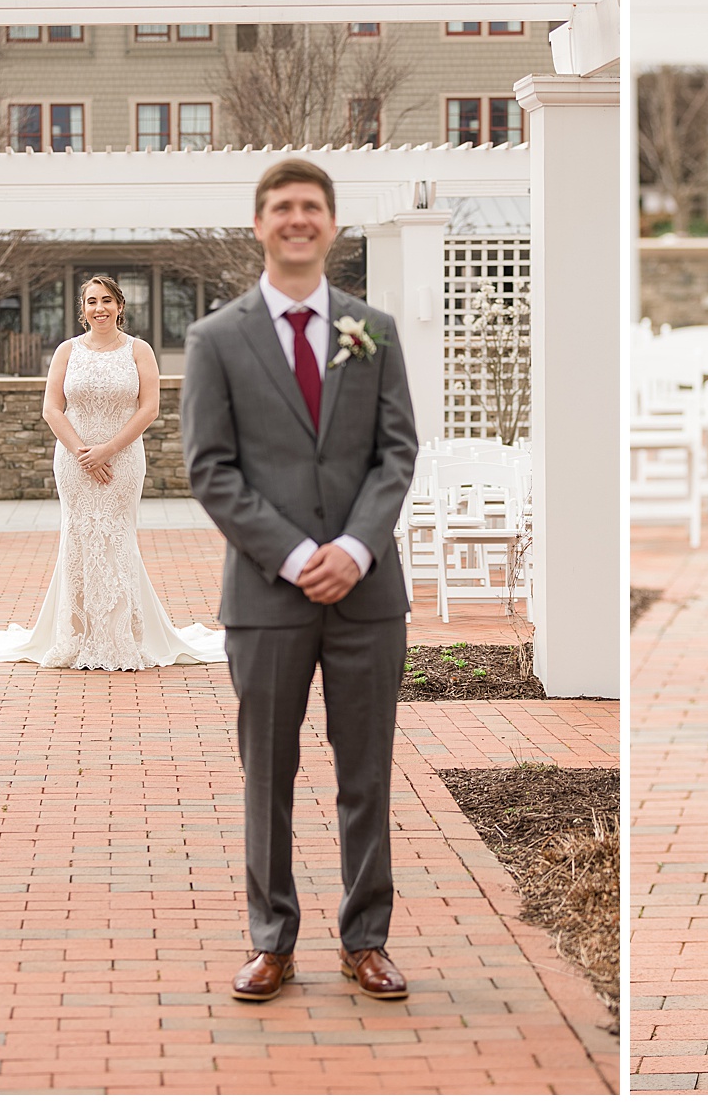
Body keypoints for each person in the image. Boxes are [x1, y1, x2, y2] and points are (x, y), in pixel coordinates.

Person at [181, 158, 418, 1003]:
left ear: (331, 224)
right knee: (267, 773)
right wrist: (291, 555)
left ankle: (367, 940)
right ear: (260, 224)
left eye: (311, 206)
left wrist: (355, 548)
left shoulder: (374, 330)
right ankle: (271, 941)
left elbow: (397, 453)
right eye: (282, 207)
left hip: (367, 595)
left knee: (367, 773)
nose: (297, 219)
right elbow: (210, 469)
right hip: (266, 598)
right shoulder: (215, 340)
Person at [0, 275, 226, 669]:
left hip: (123, 459)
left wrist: (108, 449)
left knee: (116, 537)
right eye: (92, 301)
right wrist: (81, 452)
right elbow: (51, 409)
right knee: (78, 538)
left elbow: (149, 408)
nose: (99, 308)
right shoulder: (67, 351)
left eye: (107, 300)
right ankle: (75, 635)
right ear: (83, 309)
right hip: (74, 462)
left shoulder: (139, 351)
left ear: (120, 307)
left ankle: (121, 636)